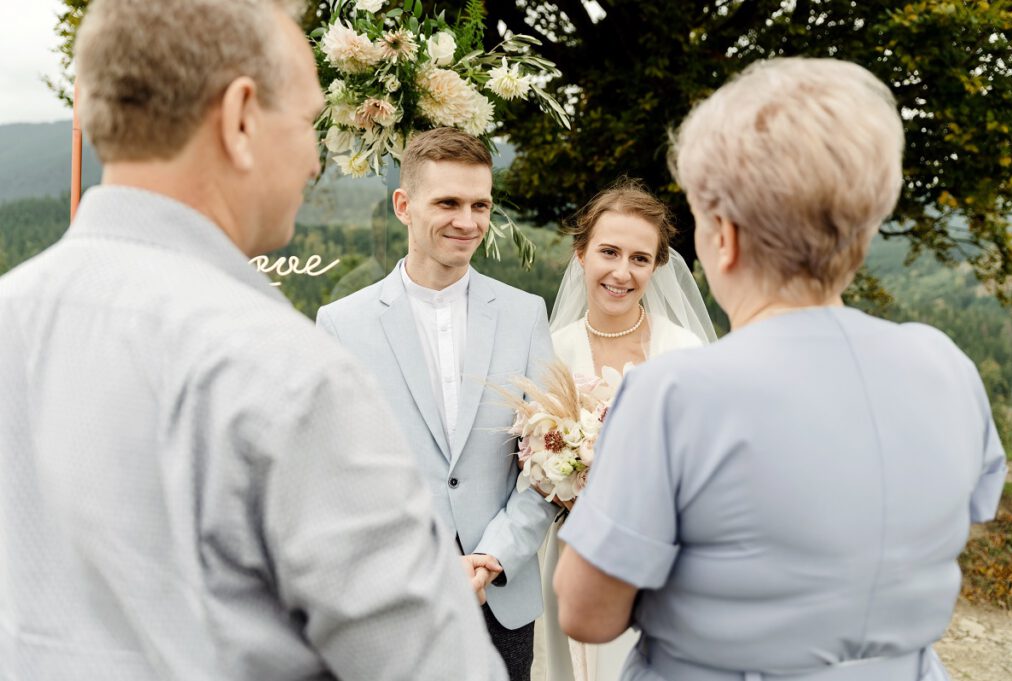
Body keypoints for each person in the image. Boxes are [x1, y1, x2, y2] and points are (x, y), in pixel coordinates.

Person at [0, 1, 508, 679]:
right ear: (241, 118)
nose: (313, 160)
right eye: (306, 122)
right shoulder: (289, 372)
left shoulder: (11, 316)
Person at [554, 57, 1007, 681]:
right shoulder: (946, 367)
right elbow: (961, 513)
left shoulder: (676, 392)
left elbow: (587, 615)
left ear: (726, 237)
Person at [316, 126, 559, 681]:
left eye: (480, 205)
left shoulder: (525, 315)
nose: (467, 221)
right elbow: (334, 475)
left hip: (499, 596)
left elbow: (548, 464)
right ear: (403, 206)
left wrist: (493, 556)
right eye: (448, 203)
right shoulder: (342, 324)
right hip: (392, 597)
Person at [536, 179, 716, 681]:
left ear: (656, 267)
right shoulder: (551, 351)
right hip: (570, 558)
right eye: (609, 252)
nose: (622, 272)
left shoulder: (683, 352)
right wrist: (563, 479)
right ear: (581, 254)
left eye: (640, 258)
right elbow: (530, 462)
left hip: (662, 565)